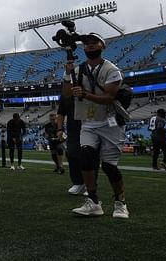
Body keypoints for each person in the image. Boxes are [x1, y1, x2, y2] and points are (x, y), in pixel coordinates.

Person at [64, 32, 129, 218]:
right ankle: (93, 201)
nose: (90, 46)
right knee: (85, 158)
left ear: (103, 46)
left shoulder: (111, 70)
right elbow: (67, 94)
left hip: (110, 123)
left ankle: (120, 202)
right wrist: (67, 74)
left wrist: (85, 95)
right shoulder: (78, 69)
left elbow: (109, 97)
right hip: (89, 122)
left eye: (95, 43)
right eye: (87, 44)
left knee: (109, 167)